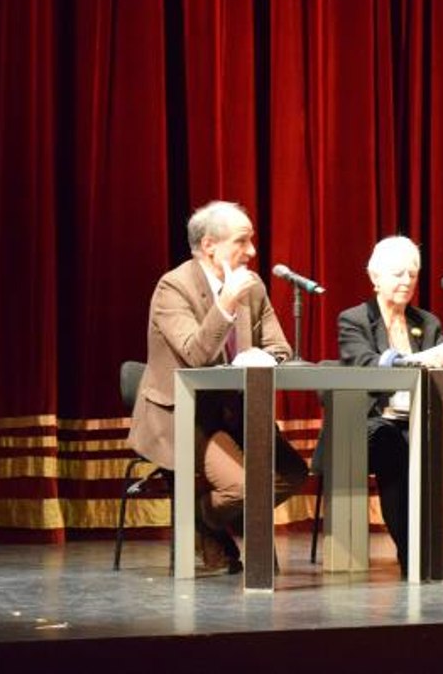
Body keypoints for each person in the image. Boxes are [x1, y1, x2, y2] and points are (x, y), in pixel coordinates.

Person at [127, 200, 308, 574]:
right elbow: (195, 354)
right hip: (186, 413)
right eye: (242, 242)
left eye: (252, 241)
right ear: (210, 246)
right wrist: (225, 303)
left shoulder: (252, 286)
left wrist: (261, 357)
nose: (252, 252)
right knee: (245, 487)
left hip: (234, 408)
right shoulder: (173, 288)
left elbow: (279, 348)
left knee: (291, 473)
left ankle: (202, 515)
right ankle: (202, 519)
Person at [337, 235, 443, 573]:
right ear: (374, 276)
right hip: (371, 421)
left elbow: (440, 366)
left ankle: (438, 544)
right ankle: (414, 554)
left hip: (419, 419)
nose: (407, 281)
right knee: (393, 446)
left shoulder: (427, 322)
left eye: (412, 274)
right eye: (398, 274)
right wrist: (418, 360)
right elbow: (364, 364)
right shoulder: (354, 320)